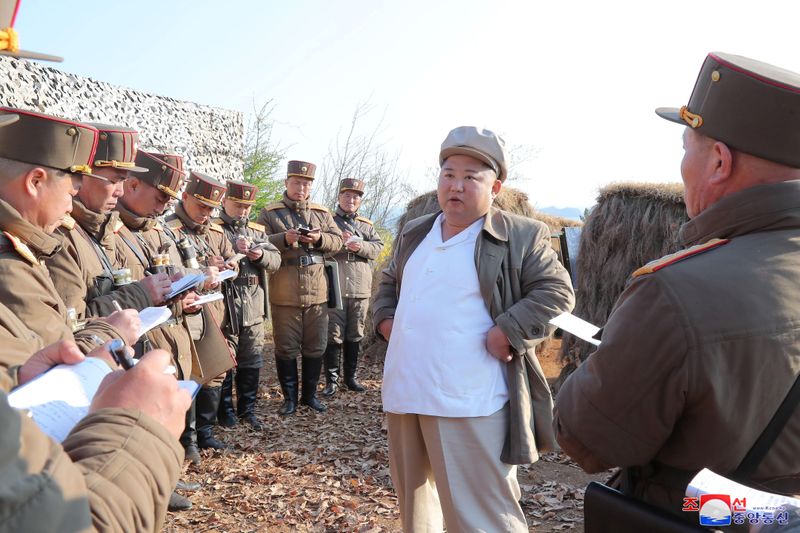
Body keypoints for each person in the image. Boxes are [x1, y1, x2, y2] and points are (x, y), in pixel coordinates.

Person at [553, 52, 800, 514]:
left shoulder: (675, 293)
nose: (682, 166)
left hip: (701, 516)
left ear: (719, 162)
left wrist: (611, 360)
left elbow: (586, 439)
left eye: (687, 149)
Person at [373, 126, 575, 532]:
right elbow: (388, 281)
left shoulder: (519, 234)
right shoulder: (416, 232)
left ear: (495, 185)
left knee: (482, 517)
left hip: (468, 399)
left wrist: (508, 330)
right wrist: (386, 321)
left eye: (471, 177)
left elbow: (557, 292)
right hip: (406, 390)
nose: (456, 186)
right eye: (448, 174)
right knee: (417, 511)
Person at [0, 107, 139, 354]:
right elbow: (58, 368)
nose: (68, 207)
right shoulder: (9, 265)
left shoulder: (24, 249)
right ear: (35, 182)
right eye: (70, 194)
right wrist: (112, 333)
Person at [113, 150, 203, 509]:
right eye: (161, 197)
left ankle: (164, 476)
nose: (164, 206)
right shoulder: (115, 232)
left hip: (163, 335)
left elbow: (161, 286)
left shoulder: (148, 230)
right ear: (132, 184)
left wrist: (184, 295)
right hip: (133, 341)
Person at [47, 123, 173, 319]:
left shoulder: (107, 228)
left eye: (123, 181)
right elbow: (74, 324)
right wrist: (141, 295)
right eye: (114, 181)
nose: (120, 191)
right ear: (84, 175)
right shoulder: (60, 235)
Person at [257, 160, 343, 416]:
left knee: (316, 347)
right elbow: (258, 242)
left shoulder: (321, 213)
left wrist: (319, 239)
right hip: (285, 293)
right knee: (286, 348)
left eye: (306, 184)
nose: (301, 188)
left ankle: (309, 396)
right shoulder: (270, 213)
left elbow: (337, 241)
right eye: (296, 183)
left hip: (317, 292)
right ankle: (290, 399)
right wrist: (284, 239)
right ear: (286, 183)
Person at [165, 171, 236, 450]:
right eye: (201, 206)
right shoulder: (168, 229)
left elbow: (233, 261)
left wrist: (228, 264)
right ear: (185, 198)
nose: (206, 213)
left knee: (215, 370)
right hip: (186, 311)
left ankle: (206, 434)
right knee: (188, 371)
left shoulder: (213, 232)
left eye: (211, 209)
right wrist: (202, 272)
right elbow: (169, 270)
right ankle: (188, 439)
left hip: (214, 309)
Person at [215, 180, 280, 430]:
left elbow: (276, 261)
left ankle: (247, 409)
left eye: (247, 206)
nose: (242, 211)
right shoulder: (214, 228)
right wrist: (232, 251)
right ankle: (226, 410)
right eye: (238, 205)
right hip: (225, 302)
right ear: (225, 202)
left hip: (253, 303)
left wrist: (260, 255)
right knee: (225, 358)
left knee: (251, 358)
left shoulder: (258, 231)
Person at [321, 177, 384, 397]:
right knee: (333, 333)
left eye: (356, 196)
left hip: (360, 287)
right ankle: (332, 380)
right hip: (334, 285)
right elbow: (319, 245)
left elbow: (377, 248)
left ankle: (350, 377)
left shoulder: (366, 225)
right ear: (339, 197)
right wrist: (340, 242)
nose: (351, 199)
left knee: (355, 333)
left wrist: (360, 245)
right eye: (347, 195)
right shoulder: (328, 221)